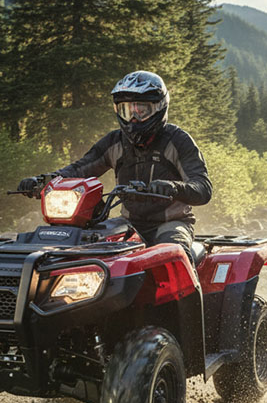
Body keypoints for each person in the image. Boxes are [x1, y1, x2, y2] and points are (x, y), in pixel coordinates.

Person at [18, 71, 212, 262]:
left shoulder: (178, 141)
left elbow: (202, 188)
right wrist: (44, 180)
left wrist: (173, 188)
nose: (133, 118)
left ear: (159, 107)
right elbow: (80, 168)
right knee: (84, 245)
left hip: (171, 224)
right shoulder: (115, 141)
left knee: (172, 255)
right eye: (127, 111)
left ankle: (185, 294)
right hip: (128, 223)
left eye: (141, 110)